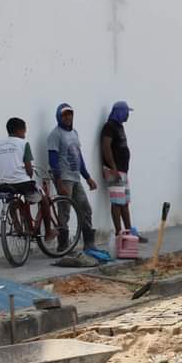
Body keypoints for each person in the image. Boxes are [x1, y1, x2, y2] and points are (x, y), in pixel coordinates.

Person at [0, 117, 54, 239]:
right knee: (44, 199)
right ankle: (48, 232)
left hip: (3, 184)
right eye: (24, 131)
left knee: (11, 198)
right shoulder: (23, 144)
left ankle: (17, 225)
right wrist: (29, 173)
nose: (25, 135)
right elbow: (29, 170)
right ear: (20, 130)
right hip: (22, 184)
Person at [46, 103, 99, 254]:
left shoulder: (74, 132)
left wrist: (88, 177)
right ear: (59, 116)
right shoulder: (55, 135)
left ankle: (89, 243)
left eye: (70, 114)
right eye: (65, 114)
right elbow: (53, 160)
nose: (68, 117)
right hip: (64, 178)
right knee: (64, 211)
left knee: (85, 208)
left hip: (76, 177)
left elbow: (78, 157)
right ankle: (63, 245)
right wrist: (59, 181)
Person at [102, 101, 147, 241]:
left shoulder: (119, 126)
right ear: (120, 112)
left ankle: (129, 232)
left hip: (123, 171)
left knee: (125, 202)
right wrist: (113, 167)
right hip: (114, 170)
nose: (128, 115)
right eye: (126, 112)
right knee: (116, 202)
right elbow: (106, 147)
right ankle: (119, 233)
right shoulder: (109, 127)